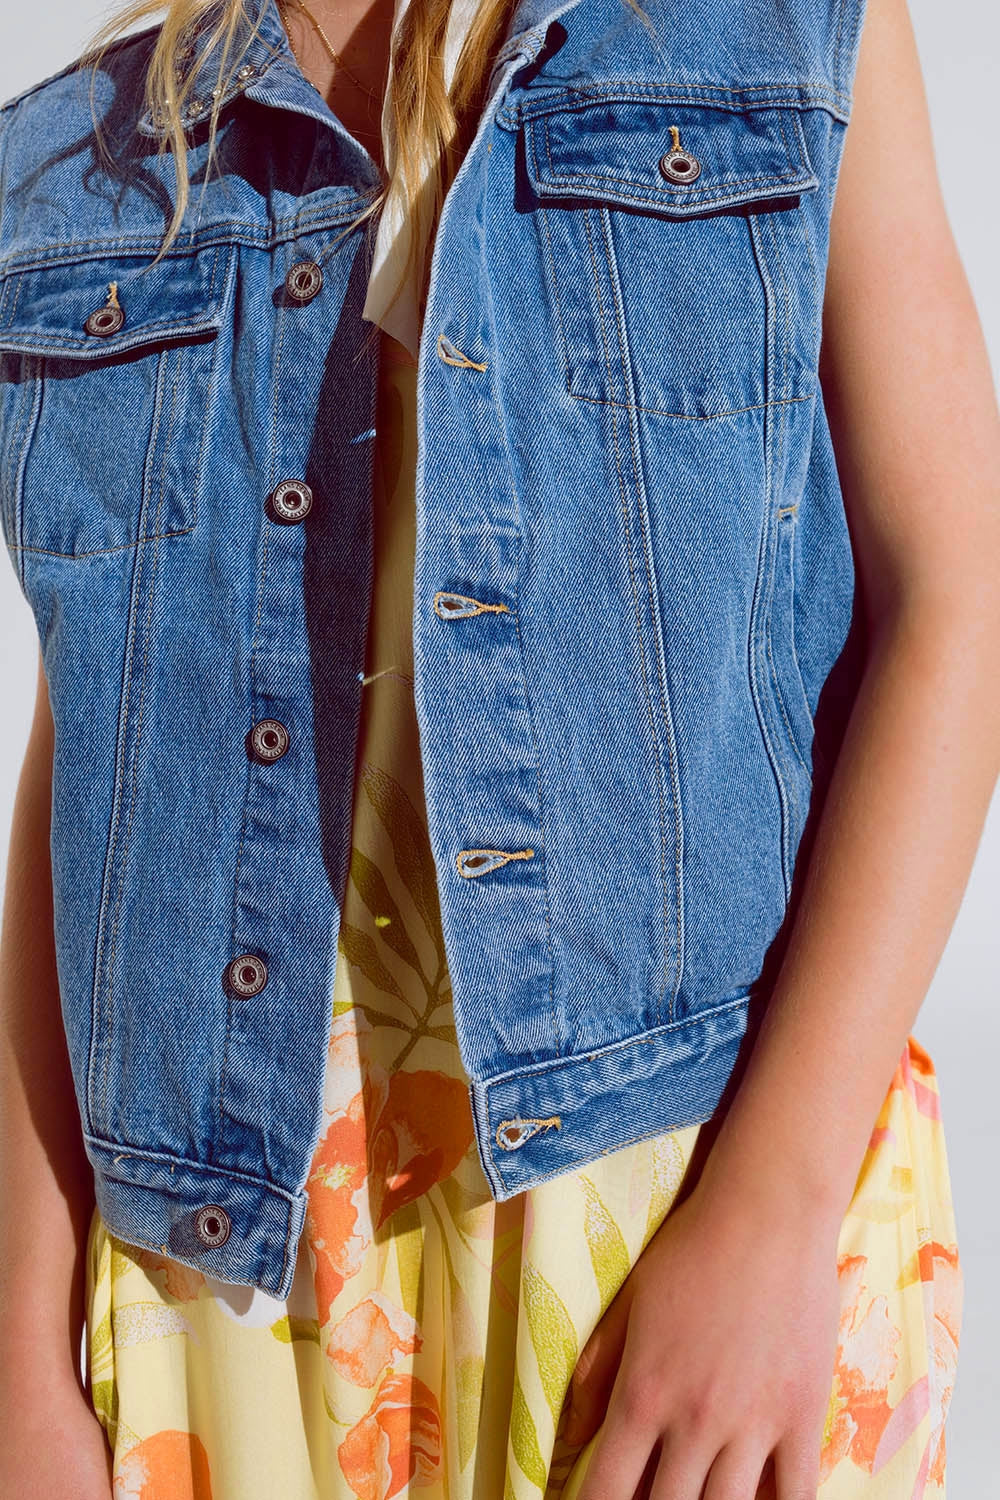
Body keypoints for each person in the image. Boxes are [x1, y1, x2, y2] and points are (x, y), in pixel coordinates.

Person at [0, 0, 996, 1494]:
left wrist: (775, 1210)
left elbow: (959, 604)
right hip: (217, 1268)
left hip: (683, 1210)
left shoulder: (775, 30)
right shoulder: (82, 165)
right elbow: (99, 765)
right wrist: (19, 1357)